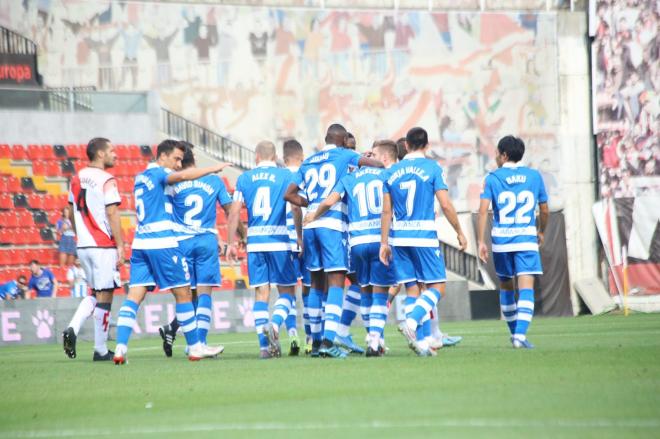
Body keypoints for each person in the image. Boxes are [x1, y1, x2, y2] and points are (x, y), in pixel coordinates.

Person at [113, 140, 230, 364]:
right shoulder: (159, 173)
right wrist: (212, 169)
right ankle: (196, 347)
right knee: (184, 294)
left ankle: (120, 348)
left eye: (180, 160)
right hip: (162, 242)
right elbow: (183, 177)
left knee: (134, 296)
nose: (178, 164)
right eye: (175, 159)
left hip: (140, 243)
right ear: (163, 156)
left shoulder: (140, 177)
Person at [285, 123, 383, 358]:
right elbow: (377, 165)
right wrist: (366, 158)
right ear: (341, 140)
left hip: (311, 227)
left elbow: (288, 194)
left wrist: (311, 205)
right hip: (332, 225)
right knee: (337, 281)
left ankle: (317, 343)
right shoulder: (345, 154)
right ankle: (330, 341)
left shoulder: (309, 160)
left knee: (316, 284)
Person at [304, 140, 399, 356]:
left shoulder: (349, 178)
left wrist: (313, 215)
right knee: (380, 292)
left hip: (356, 243)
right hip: (378, 238)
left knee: (364, 289)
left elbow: (329, 201)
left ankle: (371, 339)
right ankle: (375, 341)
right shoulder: (386, 175)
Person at [379, 127, 467, 356]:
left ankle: (423, 342)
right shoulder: (432, 168)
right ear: (427, 146)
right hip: (423, 237)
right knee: (438, 286)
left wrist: (384, 242)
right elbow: (445, 205)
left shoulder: (391, 172)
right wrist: (459, 231)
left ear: (406, 145)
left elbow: (386, 212)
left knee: (412, 289)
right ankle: (411, 323)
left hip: (399, 238)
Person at [158, 143, 243, 357]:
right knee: (204, 292)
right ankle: (200, 343)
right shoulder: (213, 180)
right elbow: (229, 209)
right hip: (205, 241)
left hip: (180, 242)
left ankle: (182, 335)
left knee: (187, 294)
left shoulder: (173, 183)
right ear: (193, 157)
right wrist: (241, 234)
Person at [227, 141, 300, 359]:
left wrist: (231, 242)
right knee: (287, 291)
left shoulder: (244, 178)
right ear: (275, 156)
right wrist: (300, 237)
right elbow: (295, 207)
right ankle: (276, 324)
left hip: (256, 242)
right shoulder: (285, 176)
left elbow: (233, 213)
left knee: (261, 294)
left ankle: (263, 347)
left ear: (256, 156)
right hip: (279, 240)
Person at [477, 135, 549, 349]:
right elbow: (544, 209)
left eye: (497, 154)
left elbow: (483, 211)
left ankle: (515, 333)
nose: (496, 158)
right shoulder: (534, 176)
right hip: (526, 240)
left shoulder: (492, 178)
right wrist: (541, 231)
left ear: (504, 155)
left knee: (506, 287)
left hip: (502, 242)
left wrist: (481, 241)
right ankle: (519, 336)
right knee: (526, 287)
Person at [62, 138, 123, 361]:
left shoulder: (76, 178)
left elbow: (69, 210)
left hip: (84, 244)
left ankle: (73, 327)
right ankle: (99, 349)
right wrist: (121, 245)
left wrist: (80, 236)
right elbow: (113, 213)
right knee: (105, 294)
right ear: (99, 154)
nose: (115, 155)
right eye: (112, 150)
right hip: (102, 244)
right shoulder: (107, 179)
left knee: (94, 292)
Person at [282, 139, 308, 356]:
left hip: (283, 242)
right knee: (311, 289)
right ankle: (311, 337)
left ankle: (292, 334)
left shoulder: (278, 177)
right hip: (304, 240)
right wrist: (301, 237)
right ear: (302, 157)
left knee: (287, 291)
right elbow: (296, 208)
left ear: (284, 158)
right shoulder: (305, 175)